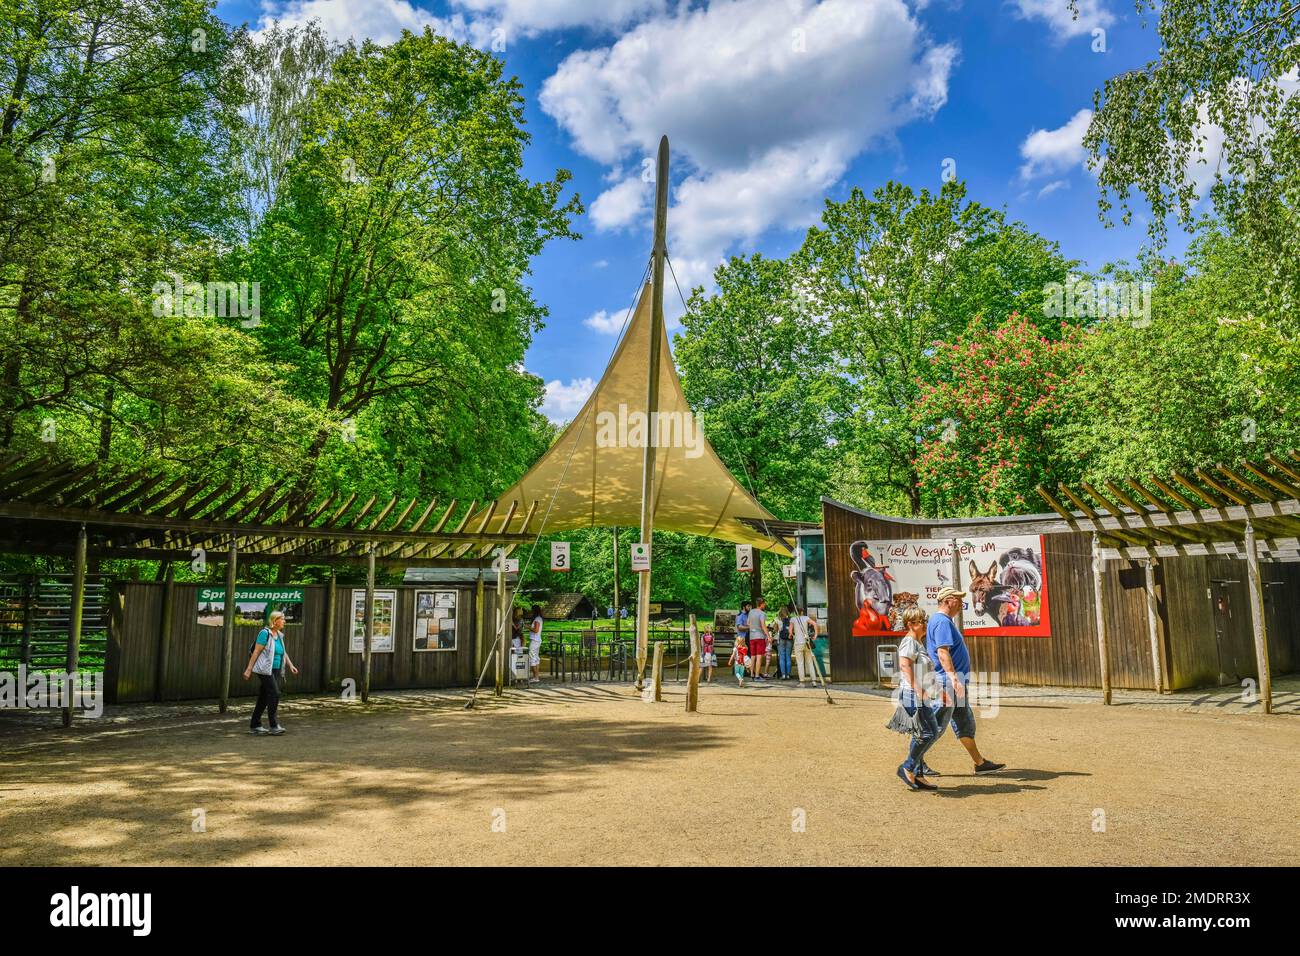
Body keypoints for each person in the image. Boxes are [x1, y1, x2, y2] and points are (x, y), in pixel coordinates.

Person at [926, 587, 1005, 774]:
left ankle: (979, 763)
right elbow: (942, 652)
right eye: (958, 599)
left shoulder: (944, 621)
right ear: (947, 601)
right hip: (949, 682)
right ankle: (914, 762)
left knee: (964, 722)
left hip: (955, 682)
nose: (962, 603)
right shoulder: (942, 622)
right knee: (935, 723)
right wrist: (953, 677)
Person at [891, 607, 941, 791]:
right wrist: (919, 690)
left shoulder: (918, 643)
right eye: (921, 621)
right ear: (911, 624)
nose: (925, 624)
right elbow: (905, 666)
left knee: (922, 733)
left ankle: (918, 775)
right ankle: (907, 767)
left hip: (919, 695)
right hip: (912, 695)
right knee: (929, 733)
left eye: (924, 621)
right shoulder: (909, 642)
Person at [242, 610, 299, 736]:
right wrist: (248, 669)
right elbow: (256, 652)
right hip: (265, 669)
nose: (285, 621)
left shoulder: (279, 635)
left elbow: (283, 652)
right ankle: (274, 725)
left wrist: (291, 665)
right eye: (282, 619)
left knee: (264, 697)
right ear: (275, 621)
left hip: (276, 669)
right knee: (275, 693)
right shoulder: (264, 633)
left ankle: (255, 725)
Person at [792, 605, 819, 686]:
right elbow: (815, 624)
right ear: (802, 611)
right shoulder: (806, 618)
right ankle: (814, 681)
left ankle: (802, 682)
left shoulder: (793, 619)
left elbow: (790, 631)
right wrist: (816, 635)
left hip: (798, 643)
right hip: (806, 642)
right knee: (810, 662)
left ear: (795, 612)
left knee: (800, 662)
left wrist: (791, 634)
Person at [749, 598, 770, 679]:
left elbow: (748, 623)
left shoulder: (751, 612)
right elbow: (763, 625)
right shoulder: (762, 613)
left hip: (752, 636)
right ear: (761, 604)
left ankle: (752, 674)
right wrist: (768, 636)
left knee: (753, 656)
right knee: (759, 656)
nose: (765, 605)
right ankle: (757, 676)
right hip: (759, 636)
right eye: (764, 604)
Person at [775, 605, 794, 679]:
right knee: (788, 656)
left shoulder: (777, 619)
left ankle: (783, 675)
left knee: (782, 657)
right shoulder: (791, 619)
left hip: (781, 638)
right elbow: (793, 629)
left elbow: (775, 629)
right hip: (789, 638)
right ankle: (788, 675)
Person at [527, 605, 545, 683]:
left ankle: (535, 677)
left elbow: (536, 630)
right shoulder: (539, 618)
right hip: (537, 640)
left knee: (532, 658)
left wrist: (528, 627)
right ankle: (536, 677)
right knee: (536, 658)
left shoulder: (537, 619)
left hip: (534, 640)